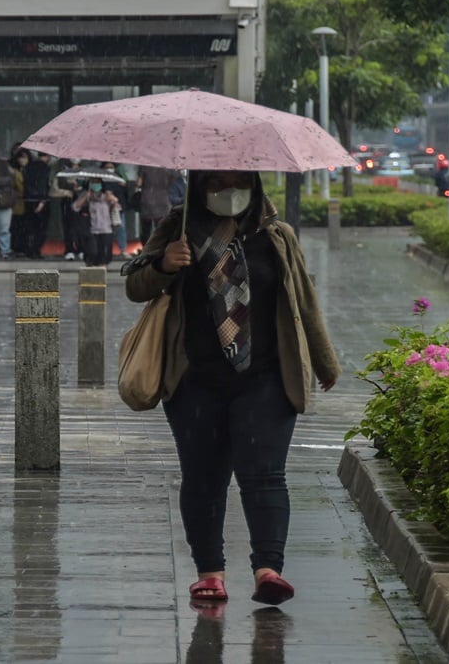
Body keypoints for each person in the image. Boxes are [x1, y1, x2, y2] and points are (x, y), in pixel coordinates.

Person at [124, 170, 340, 608]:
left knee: (264, 475)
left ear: (254, 184)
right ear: (200, 186)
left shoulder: (276, 235)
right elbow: (135, 285)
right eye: (217, 182)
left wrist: (323, 360)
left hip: (266, 376)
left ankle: (268, 570)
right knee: (204, 478)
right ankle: (210, 573)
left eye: (238, 181)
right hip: (193, 378)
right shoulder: (178, 227)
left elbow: (304, 301)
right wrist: (165, 263)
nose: (228, 191)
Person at [73, 179, 116, 266]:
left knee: (104, 255)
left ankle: (102, 269)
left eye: (98, 183)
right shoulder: (86, 196)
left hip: (106, 229)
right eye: (93, 182)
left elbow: (116, 206)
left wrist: (113, 200)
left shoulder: (106, 196)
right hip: (91, 230)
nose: (96, 185)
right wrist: (86, 196)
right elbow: (75, 207)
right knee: (92, 252)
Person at [137, 165, 180, 245]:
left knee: (146, 230)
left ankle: (146, 250)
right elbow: (174, 179)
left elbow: (139, 183)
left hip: (147, 199)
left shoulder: (145, 166)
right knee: (162, 229)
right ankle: (160, 249)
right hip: (162, 200)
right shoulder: (168, 167)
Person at [23, 151, 53, 259]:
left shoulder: (28, 167)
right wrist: (42, 201)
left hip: (28, 200)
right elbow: (42, 185)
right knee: (41, 228)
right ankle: (36, 250)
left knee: (30, 227)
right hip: (40, 200)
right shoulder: (44, 168)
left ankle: (29, 250)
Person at [100, 162, 130, 258]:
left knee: (121, 229)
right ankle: (105, 250)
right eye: (107, 167)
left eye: (111, 167)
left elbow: (125, 193)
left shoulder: (118, 178)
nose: (109, 169)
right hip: (103, 209)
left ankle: (123, 249)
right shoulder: (100, 178)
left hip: (118, 208)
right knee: (105, 230)